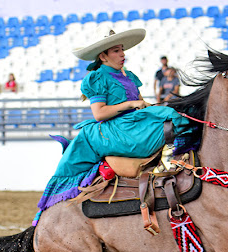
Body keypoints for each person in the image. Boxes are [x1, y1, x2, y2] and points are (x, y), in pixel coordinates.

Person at [33, 26, 191, 225]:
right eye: (116, 50)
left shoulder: (129, 76)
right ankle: (170, 162)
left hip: (133, 123)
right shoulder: (97, 78)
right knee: (170, 115)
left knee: (176, 111)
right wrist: (131, 105)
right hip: (115, 130)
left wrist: (146, 107)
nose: (123, 54)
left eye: (122, 49)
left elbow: (140, 103)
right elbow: (99, 113)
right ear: (104, 56)